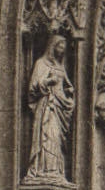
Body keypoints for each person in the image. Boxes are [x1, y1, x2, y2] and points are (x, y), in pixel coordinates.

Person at [25, 34, 74, 182]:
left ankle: (55, 171)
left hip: (59, 105)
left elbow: (68, 85)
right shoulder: (41, 63)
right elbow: (33, 86)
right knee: (47, 135)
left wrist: (69, 97)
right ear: (52, 46)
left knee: (56, 139)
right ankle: (42, 170)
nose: (62, 50)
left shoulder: (60, 67)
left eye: (64, 47)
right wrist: (48, 81)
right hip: (47, 104)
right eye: (59, 46)